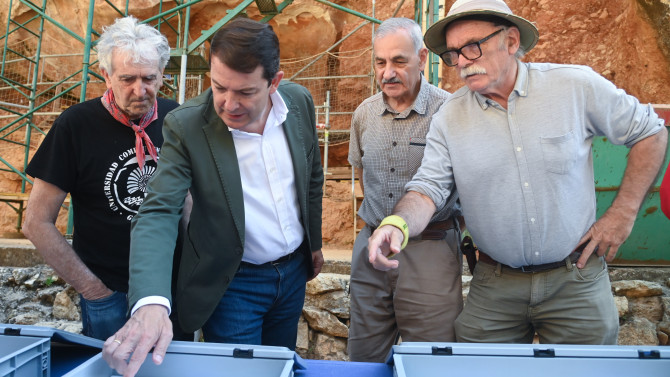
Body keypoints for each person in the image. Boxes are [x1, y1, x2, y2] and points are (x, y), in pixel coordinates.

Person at [368, 0, 667, 345]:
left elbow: (651, 132)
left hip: (577, 280)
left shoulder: (574, 87)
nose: (462, 62)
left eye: (472, 47)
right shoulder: (449, 117)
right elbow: (427, 189)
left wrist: (624, 212)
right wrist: (397, 224)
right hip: (495, 285)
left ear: (510, 41)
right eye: (453, 53)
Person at [102, 18, 324, 376]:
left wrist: (313, 242)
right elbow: (158, 210)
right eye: (219, 87)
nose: (228, 103)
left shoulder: (298, 103)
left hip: (293, 274)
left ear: (275, 82)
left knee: (282, 367)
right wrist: (151, 302)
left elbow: (312, 175)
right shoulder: (187, 125)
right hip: (233, 284)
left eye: (245, 92)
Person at [22, 16, 184, 341]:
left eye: (150, 78)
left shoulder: (177, 117)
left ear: (162, 74)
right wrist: (93, 289)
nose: (140, 91)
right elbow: (35, 222)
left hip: (170, 289)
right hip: (108, 293)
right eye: (127, 79)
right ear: (105, 75)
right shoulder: (75, 126)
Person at [347, 17, 462, 362]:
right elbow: (363, 175)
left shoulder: (450, 111)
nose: (387, 73)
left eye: (399, 61)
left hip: (431, 250)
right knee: (364, 356)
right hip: (370, 250)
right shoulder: (364, 114)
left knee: (430, 358)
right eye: (380, 62)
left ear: (422, 57)